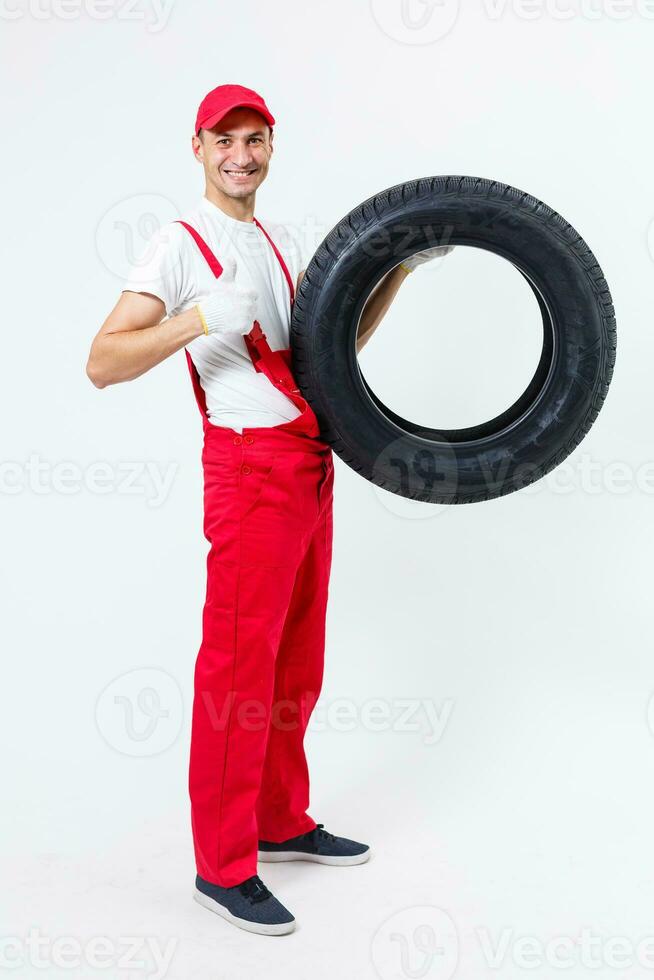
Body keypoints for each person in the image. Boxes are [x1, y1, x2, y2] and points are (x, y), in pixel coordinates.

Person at [86, 83, 451, 936]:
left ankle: (280, 820)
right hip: (248, 471)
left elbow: (333, 348)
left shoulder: (279, 241)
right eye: (225, 139)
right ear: (198, 146)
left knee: (295, 662)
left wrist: (397, 269)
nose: (240, 154)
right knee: (239, 674)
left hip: (310, 465)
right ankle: (221, 867)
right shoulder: (178, 246)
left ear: (272, 146)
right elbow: (102, 362)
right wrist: (194, 321)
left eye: (255, 139)